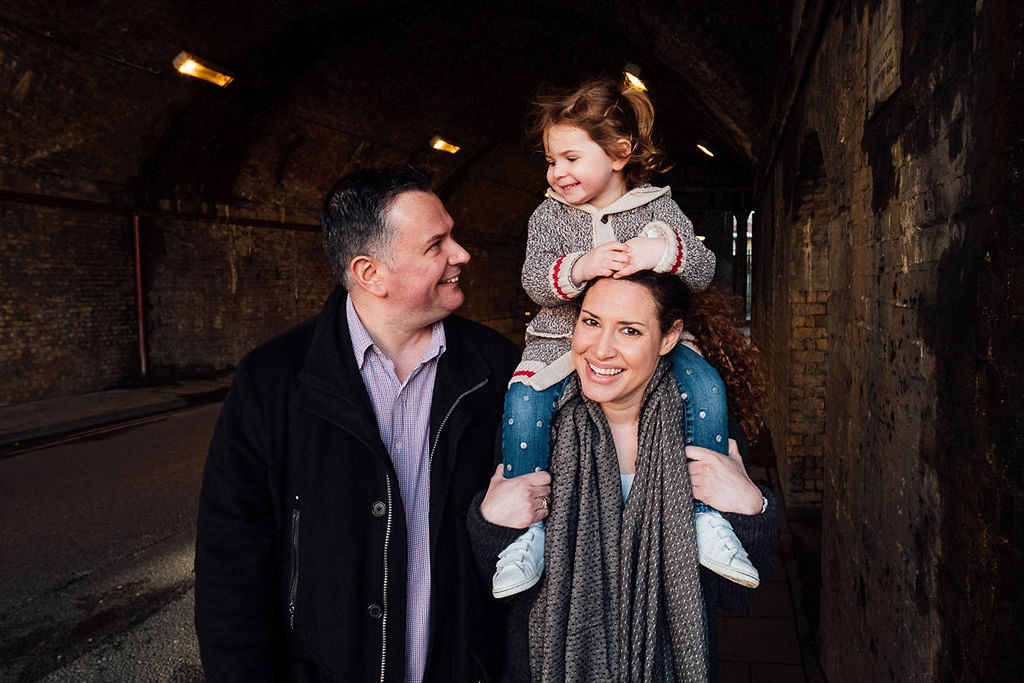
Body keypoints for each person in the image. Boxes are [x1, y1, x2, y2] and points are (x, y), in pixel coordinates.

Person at [194, 166, 520, 682]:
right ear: (371, 273)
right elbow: (230, 566)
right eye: (437, 245)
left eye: (452, 235)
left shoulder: (498, 370)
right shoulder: (273, 380)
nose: (462, 254)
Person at [493, 77, 758, 599]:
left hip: (648, 342)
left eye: (570, 157)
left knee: (705, 387)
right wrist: (581, 265)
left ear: (619, 153)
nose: (557, 172)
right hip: (557, 342)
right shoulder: (550, 214)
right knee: (523, 403)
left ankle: (706, 518)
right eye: (551, 161)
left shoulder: (657, 206)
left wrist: (659, 253)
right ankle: (529, 535)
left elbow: (702, 267)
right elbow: (531, 278)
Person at [469, 272, 777, 682]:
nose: (601, 349)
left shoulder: (704, 426)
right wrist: (491, 523)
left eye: (629, 330)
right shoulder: (533, 427)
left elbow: (736, 595)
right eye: (591, 322)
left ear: (669, 338)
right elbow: (501, 592)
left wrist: (751, 507)